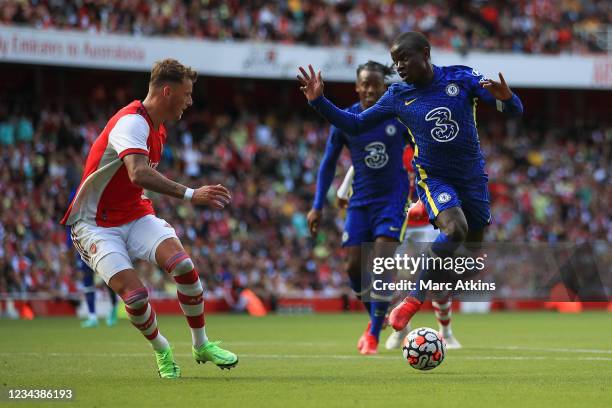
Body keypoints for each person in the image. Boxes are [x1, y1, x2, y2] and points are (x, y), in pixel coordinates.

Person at [298, 31, 523, 333]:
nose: (400, 66)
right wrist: (319, 102)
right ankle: (413, 299)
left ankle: (428, 283)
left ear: (426, 53)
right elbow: (355, 123)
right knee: (455, 229)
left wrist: (508, 99)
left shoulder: (463, 78)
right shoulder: (397, 96)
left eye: (404, 58)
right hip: (435, 178)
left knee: (470, 259)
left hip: (472, 179)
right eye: (395, 61)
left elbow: (513, 110)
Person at [61, 59, 238, 378]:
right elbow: (138, 173)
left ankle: (201, 344)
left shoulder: (158, 127)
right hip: (95, 224)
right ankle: (163, 350)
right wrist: (190, 193)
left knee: (183, 265)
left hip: (134, 214)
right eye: (186, 94)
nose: (190, 101)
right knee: (136, 296)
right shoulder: (131, 123)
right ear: (167, 91)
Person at [307, 61, 410, 355]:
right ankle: (375, 319)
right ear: (357, 86)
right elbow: (328, 163)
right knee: (354, 267)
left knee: (380, 264)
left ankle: (374, 335)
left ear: (383, 87)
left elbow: (419, 145)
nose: (369, 89)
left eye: (375, 84)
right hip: (360, 201)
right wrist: (317, 206)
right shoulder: (347, 118)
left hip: (392, 199)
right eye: (364, 84)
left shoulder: (396, 114)